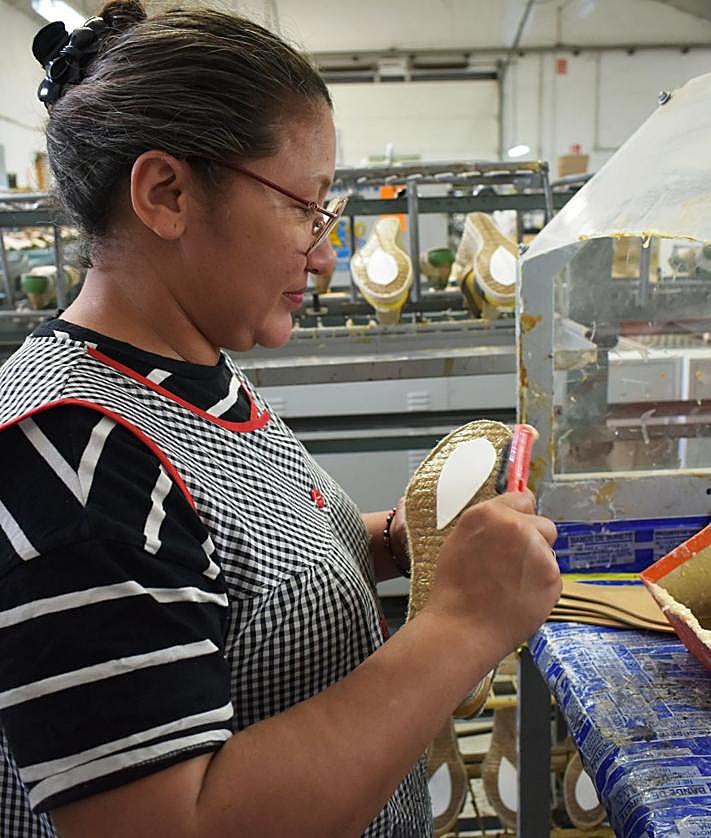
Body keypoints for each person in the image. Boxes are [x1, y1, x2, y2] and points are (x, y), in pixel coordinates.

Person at [0, 3, 561, 836]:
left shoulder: (189, 373)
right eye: (305, 208)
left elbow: (219, 578)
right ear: (165, 194)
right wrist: (462, 624)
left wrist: (397, 539)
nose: (326, 255)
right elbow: (167, 826)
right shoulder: (75, 456)